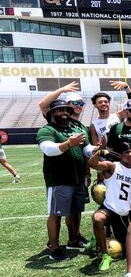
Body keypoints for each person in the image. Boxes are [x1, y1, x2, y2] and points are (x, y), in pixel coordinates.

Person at [36, 99, 90, 260]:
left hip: (77, 179)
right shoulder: (47, 129)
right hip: (58, 180)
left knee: (76, 210)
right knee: (56, 214)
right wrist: (67, 144)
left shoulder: (73, 128)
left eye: (66, 110)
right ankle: (54, 248)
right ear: (51, 112)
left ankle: (73, 239)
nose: (64, 113)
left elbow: (87, 149)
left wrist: (98, 148)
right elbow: (48, 149)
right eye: (60, 110)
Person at [88, 143, 131, 271]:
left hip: (123, 215)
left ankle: (97, 239)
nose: (130, 154)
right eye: (127, 152)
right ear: (121, 155)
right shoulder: (112, 166)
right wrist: (98, 153)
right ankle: (105, 255)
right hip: (109, 209)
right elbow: (92, 164)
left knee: (129, 248)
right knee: (97, 219)